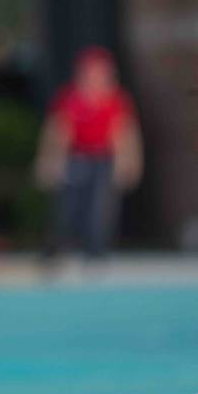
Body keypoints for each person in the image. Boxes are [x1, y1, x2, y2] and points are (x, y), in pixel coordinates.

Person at [34, 46, 143, 258]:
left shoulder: (116, 100)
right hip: (76, 158)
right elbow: (57, 133)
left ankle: (96, 251)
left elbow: (125, 134)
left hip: (103, 159)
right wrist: (50, 161)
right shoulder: (70, 99)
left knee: (101, 208)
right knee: (67, 206)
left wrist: (129, 163)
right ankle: (55, 249)